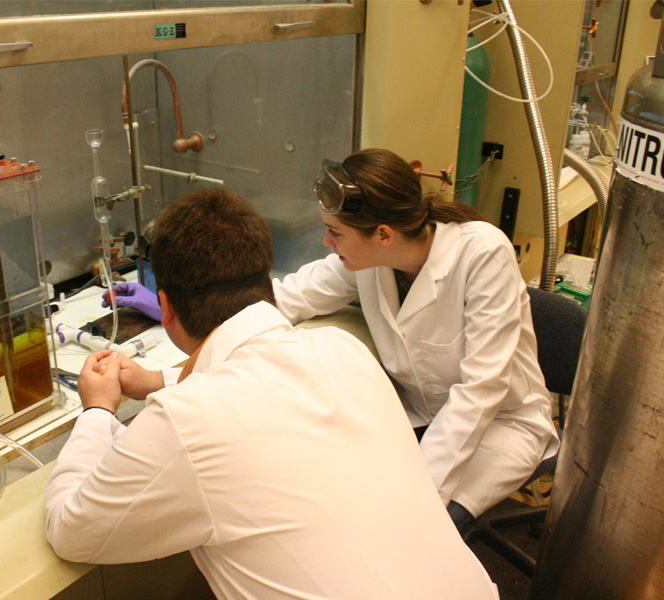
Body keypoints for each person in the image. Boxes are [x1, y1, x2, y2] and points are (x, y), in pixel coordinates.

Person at [46, 188, 499, 599]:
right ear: (266, 278)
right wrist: (158, 381)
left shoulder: (186, 421)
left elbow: (71, 530)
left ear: (164, 308)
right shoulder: (345, 351)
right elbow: (252, 374)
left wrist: (98, 411)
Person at [272, 148, 560, 529]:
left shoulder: (482, 254)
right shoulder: (367, 261)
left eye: (336, 232)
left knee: (403, 528)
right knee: (333, 491)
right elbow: (293, 295)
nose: (327, 241)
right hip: (421, 415)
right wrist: (207, 320)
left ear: (383, 234)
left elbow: (481, 390)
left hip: (500, 425)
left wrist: (415, 494)